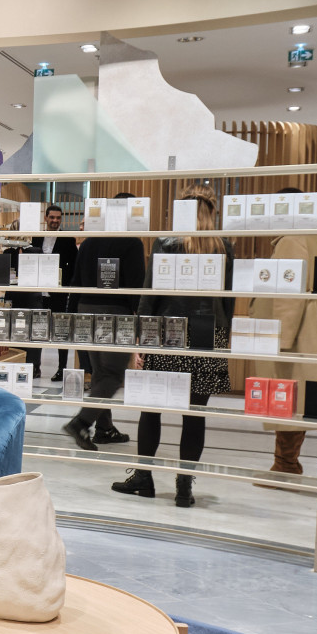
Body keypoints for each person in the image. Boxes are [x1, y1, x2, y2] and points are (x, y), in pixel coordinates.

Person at [112, 184, 233, 508]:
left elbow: (150, 293)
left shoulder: (167, 242)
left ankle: (144, 477)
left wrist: (140, 338)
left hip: (167, 331)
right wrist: (224, 336)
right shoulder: (223, 246)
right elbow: (229, 299)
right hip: (209, 335)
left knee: (151, 408)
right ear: (212, 210)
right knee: (195, 414)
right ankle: (183, 486)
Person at [248, 187, 317, 481]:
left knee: (286, 400)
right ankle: (288, 462)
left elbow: (288, 294)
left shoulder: (291, 239)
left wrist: (281, 340)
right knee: (298, 401)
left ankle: (285, 465)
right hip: (314, 331)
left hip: (295, 334)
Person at [61, 192, 146, 450]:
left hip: (86, 309)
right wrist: (140, 323)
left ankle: (104, 428)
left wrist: (72, 316)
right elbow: (136, 287)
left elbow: (75, 282)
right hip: (115, 312)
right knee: (113, 374)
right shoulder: (132, 243)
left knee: (100, 373)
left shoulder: (89, 242)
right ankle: (81, 423)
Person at [29, 204, 77, 381]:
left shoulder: (68, 240)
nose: (55, 221)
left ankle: (62, 369)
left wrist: (67, 288)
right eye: (52, 217)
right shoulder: (36, 237)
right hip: (37, 292)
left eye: (58, 218)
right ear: (46, 218)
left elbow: (73, 266)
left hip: (58, 293)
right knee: (36, 330)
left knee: (60, 331)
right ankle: (35, 367)